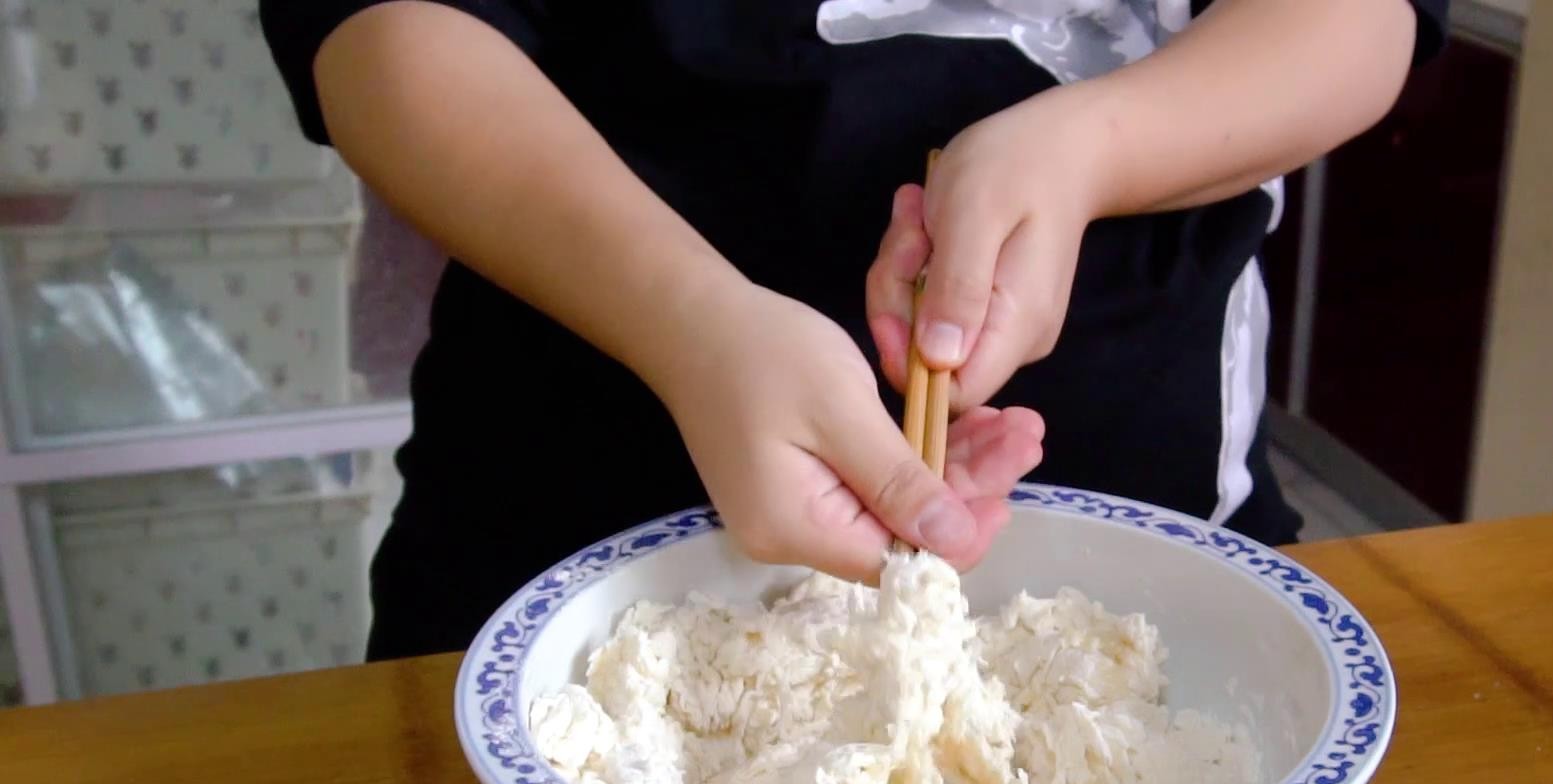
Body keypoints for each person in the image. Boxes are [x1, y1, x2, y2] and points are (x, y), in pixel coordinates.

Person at [262, 0, 1449, 661]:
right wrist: (690, 322)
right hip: (557, 560)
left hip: (1161, 542)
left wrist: (1093, 145)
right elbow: (384, 28)